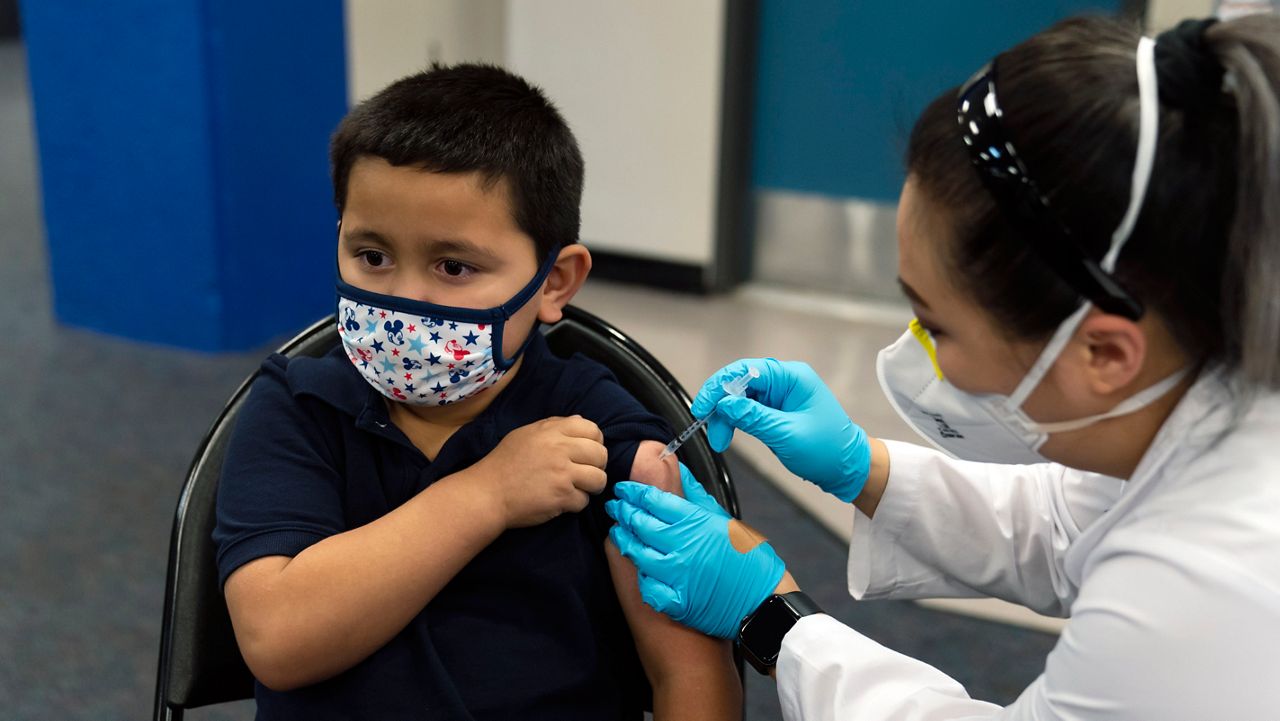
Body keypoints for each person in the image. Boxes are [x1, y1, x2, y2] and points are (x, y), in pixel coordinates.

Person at [608, 14, 1280, 720]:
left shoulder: (1210, 584)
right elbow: (1066, 527)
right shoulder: (1217, 377)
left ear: (1104, 353)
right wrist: (859, 467)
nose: (915, 350)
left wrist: (771, 617)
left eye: (936, 325)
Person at [212, 64, 740, 720]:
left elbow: (690, 678)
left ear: (555, 282)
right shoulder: (297, 409)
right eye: (371, 255)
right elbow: (279, 637)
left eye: (454, 266)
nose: (403, 298)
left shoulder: (607, 434)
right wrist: (487, 494)